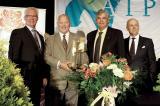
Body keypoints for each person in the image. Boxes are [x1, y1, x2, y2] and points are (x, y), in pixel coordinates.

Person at [45, 14, 88, 106]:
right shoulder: (50, 39)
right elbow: (46, 57)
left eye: (66, 22)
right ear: (57, 24)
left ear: (69, 24)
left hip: (73, 81)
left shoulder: (78, 38)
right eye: (61, 22)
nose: (64, 25)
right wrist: (60, 64)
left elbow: (83, 56)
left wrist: (84, 65)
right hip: (57, 82)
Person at [8, 7, 48, 106]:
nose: (32, 18)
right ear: (24, 18)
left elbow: (42, 59)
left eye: (34, 16)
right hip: (23, 79)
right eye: (29, 16)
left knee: (35, 103)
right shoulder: (18, 33)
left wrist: (44, 76)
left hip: (37, 80)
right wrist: (16, 77)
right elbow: (13, 56)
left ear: (37, 18)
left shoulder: (40, 36)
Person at [124, 18, 156, 94]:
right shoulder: (122, 42)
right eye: (131, 25)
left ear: (138, 27)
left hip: (145, 83)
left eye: (136, 25)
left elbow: (152, 61)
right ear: (127, 28)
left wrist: (151, 79)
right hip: (126, 83)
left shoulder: (148, 41)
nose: (134, 27)